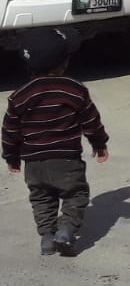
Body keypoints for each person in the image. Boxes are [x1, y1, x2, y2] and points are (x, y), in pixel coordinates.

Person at [3, 28, 109, 257]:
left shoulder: (19, 95)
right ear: (64, 63)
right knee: (76, 194)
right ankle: (66, 230)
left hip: (34, 163)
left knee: (41, 198)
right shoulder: (74, 89)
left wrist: (11, 157)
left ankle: (47, 238)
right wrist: (99, 144)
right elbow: (91, 120)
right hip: (66, 159)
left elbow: (10, 130)